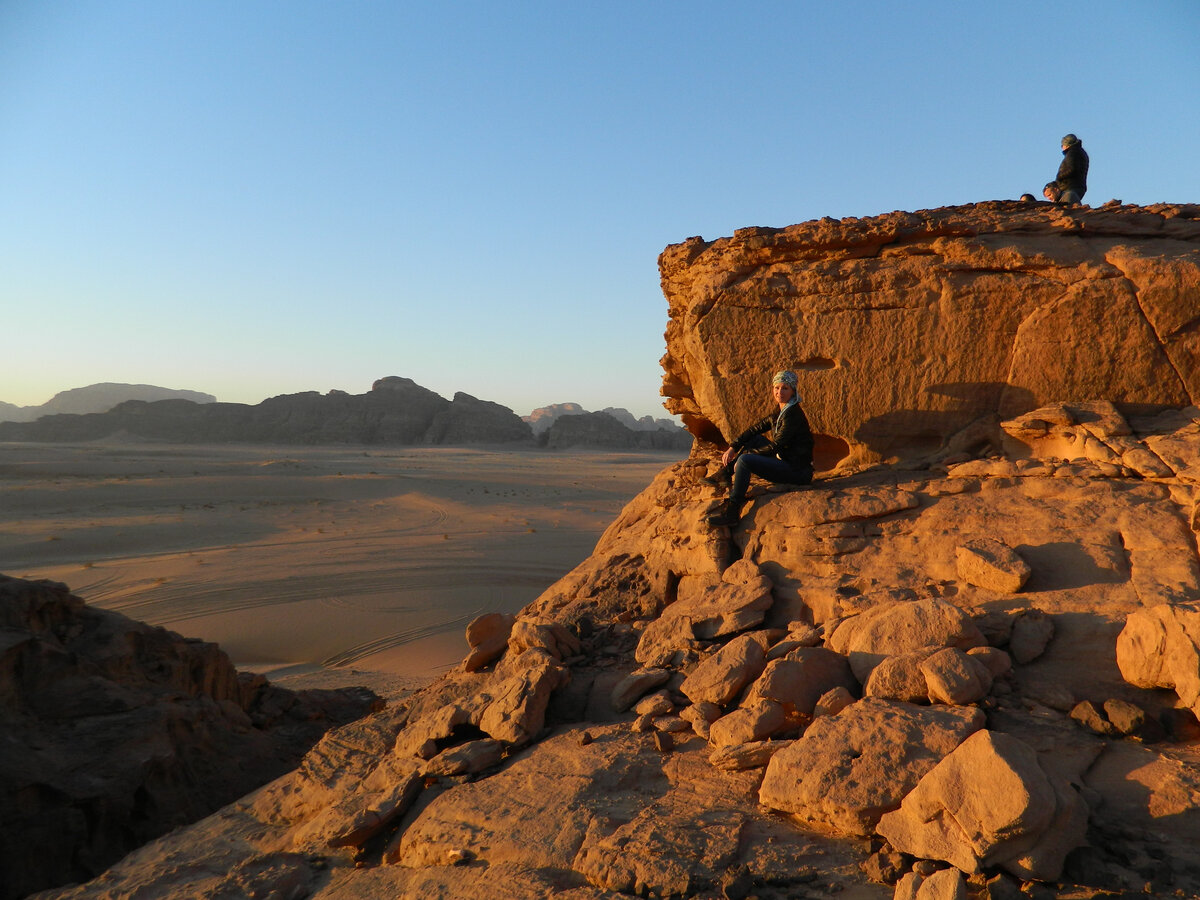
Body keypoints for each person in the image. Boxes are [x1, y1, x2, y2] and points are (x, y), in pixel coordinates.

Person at [704, 369, 814, 528]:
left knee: (745, 460)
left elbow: (775, 446)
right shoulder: (780, 412)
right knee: (754, 439)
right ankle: (725, 474)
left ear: (792, 390)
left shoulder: (792, 415)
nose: (780, 392)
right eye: (777, 388)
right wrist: (733, 447)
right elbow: (754, 430)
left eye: (785, 388)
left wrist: (746, 455)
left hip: (798, 471)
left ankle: (732, 511)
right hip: (786, 461)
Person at [1054, 134, 1089, 204]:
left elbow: (1072, 169)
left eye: (1062, 145)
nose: (1062, 147)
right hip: (1078, 186)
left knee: (1068, 208)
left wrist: (1059, 177)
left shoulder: (1072, 152)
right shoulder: (1080, 152)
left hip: (1070, 186)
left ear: (1067, 145)